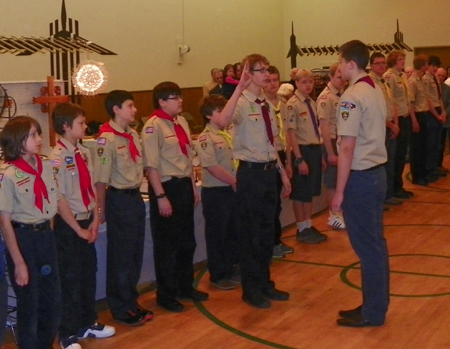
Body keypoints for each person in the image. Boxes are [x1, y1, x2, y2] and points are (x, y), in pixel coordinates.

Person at [216, 54, 291, 309]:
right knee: (251, 234)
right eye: (261, 71)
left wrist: (281, 172)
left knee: (266, 232)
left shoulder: (265, 103)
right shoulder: (240, 102)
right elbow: (223, 121)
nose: (267, 75)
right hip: (250, 174)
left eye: (268, 70)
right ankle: (251, 289)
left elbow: (272, 144)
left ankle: (264, 282)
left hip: (269, 172)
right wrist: (238, 87)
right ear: (248, 73)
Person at [0, 116, 77, 348]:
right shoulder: (8, 175)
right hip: (23, 240)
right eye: (33, 135)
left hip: (45, 236)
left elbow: (53, 203)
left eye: (39, 134)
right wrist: (19, 262)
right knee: (30, 303)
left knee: (52, 300)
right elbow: (5, 223)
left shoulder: (44, 166)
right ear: (18, 139)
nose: (39, 139)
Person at [332, 40, 389, 327]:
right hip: (377, 173)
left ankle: (373, 312)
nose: (338, 67)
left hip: (362, 179)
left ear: (351, 64)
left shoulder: (352, 96)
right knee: (374, 245)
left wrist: (339, 192)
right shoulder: (375, 88)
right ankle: (372, 305)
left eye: (340, 62)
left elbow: (346, 147)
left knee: (369, 248)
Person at [49, 103, 115, 349]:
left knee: (88, 274)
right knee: (70, 279)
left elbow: (91, 187)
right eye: (81, 123)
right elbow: (59, 198)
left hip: (88, 220)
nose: (86, 127)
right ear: (66, 126)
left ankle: (87, 322)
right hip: (70, 226)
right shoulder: (56, 158)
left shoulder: (84, 152)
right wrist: (78, 229)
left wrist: (97, 218)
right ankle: (68, 333)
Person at [142, 82, 209, 313]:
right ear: (161, 101)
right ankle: (166, 294)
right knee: (167, 246)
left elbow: (187, 159)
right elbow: (151, 167)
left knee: (186, 242)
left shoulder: (180, 122)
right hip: (166, 188)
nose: (180, 100)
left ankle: (184, 287)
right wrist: (160, 196)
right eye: (174, 97)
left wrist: (193, 187)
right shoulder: (153, 127)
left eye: (180, 96)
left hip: (183, 187)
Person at [94, 90, 152, 326]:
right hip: (118, 200)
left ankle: (131, 300)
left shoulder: (133, 134)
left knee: (135, 254)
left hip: (135, 198)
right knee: (121, 257)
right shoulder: (106, 139)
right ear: (116, 109)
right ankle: (120, 306)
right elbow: (100, 180)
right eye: (130, 105)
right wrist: (101, 210)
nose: (135, 109)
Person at [195, 95, 240, 290]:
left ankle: (230, 268)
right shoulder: (206, 138)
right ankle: (218, 274)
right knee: (217, 234)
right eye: (220, 111)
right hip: (216, 192)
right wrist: (234, 181)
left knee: (231, 231)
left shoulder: (226, 134)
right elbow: (211, 166)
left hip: (229, 190)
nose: (225, 115)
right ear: (208, 115)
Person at [286, 69, 327, 244]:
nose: (308, 85)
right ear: (296, 83)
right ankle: (301, 228)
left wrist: (322, 155)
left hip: (315, 150)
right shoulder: (292, 104)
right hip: (302, 150)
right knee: (300, 193)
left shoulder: (312, 102)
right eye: (304, 82)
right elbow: (291, 134)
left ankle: (309, 225)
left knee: (310, 192)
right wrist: (299, 158)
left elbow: (316, 129)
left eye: (310, 81)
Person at [264, 66, 294, 258]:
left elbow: (289, 134)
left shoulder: (283, 104)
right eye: (268, 80)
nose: (273, 83)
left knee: (278, 203)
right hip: (268, 156)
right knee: (270, 202)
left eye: (276, 80)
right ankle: (270, 243)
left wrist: (289, 163)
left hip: (283, 154)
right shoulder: (261, 105)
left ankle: (276, 239)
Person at [369, 52, 402, 207]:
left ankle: (388, 194)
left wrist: (395, 124)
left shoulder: (384, 81)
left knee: (390, 162)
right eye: (378, 63)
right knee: (380, 165)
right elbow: (376, 110)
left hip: (390, 127)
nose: (382, 65)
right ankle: (380, 198)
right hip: (379, 128)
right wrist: (391, 125)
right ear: (371, 65)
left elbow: (391, 103)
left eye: (383, 63)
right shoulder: (371, 83)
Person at [317, 62, 346, 229]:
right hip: (332, 142)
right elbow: (324, 127)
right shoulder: (326, 97)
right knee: (333, 181)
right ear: (330, 76)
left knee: (341, 179)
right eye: (339, 77)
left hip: (342, 141)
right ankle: (333, 215)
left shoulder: (342, 95)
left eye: (343, 77)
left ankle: (341, 211)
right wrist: (330, 152)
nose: (342, 80)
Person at [384, 50, 415, 199]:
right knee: (395, 156)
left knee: (402, 155)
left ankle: (399, 186)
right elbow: (390, 101)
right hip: (397, 119)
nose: (403, 62)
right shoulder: (389, 76)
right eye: (400, 59)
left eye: (403, 59)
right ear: (393, 61)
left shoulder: (402, 76)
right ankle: (393, 188)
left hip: (405, 116)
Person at [408, 54, 434, 186]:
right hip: (417, 115)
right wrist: (414, 120)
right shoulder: (412, 81)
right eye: (427, 63)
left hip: (424, 114)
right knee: (416, 148)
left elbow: (426, 99)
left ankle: (423, 173)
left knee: (424, 146)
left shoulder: (422, 80)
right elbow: (411, 103)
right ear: (423, 65)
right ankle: (417, 176)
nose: (428, 66)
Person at [423, 56, 446, 179]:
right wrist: (437, 115)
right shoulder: (425, 79)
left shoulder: (436, 78)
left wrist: (443, 112)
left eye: (437, 66)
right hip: (431, 113)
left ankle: (434, 167)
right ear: (428, 65)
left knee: (437, 143)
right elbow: (428, 100)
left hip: (438, 110)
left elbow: (439, 97)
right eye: (433, 66)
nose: (435, 68)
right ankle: (428, 169)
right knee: (430, 143)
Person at [436, 67, 450, 171]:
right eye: (438, 75)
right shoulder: (430, 86)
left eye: (442, 75)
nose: (440, 77)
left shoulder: (447, 88)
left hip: (445, 120)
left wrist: (445, 113)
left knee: (441, 143)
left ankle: (439, 164)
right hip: (433, 118)